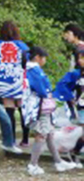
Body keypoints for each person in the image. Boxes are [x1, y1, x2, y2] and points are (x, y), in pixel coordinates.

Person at [24, 46, 75, 175]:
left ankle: (58, 161)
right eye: (44, 58)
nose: (45, 60)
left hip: (43, 106)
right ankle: (33, 164)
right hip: (40, 107)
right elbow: (42, 89)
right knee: (42, 135)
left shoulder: (32, 69)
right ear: (37, 58)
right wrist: (49, 94)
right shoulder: (33, 70)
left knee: (49, 134)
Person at [0, 21, 31, 146]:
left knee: (9, 110)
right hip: (19, 79)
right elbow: (28, 63)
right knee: (23, 109)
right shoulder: (22, 46)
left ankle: (10, 139)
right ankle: (25, 139)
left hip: (3, 80)